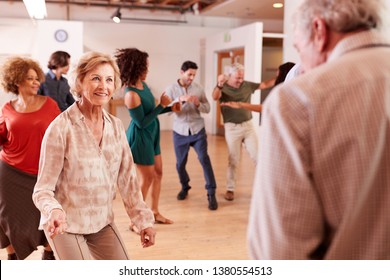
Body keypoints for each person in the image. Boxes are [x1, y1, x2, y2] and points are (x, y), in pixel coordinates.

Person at [248, 0, 390, 259]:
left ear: (319, 30)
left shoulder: (298, 100)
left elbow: (279, 252)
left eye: (300, 50)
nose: (302, 66)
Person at [32, 51, 156, 260]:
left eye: (109, 80)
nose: (103, 86)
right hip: (65, 223)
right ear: (80, 82)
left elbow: (128, 180)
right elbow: (42, 190)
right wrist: (54, 211)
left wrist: (143, 221)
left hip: (101, 221)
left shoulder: (116, 127)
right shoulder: (60, 128)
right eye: (95, 78)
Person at [0, 56, 61, 260]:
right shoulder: (7, 108)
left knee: (46, 217)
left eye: (37, 78)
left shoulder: (50, 105)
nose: (36, 82)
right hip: (10, 173)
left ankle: (49, 256)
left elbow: (63, 134)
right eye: (30, 78)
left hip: (44, 175)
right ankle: (13, 258)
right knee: (7, 217)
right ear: (17, 80)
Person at [115, 48, 179, 229]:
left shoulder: (144, 86)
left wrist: (170, 108)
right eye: (145, 67)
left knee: (158, 172)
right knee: (147, 178)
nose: (148, 70)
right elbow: (141, 122)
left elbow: (151, 112)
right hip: (141, 137)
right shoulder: (131, 94)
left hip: (152, 134)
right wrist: (162, 106)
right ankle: (135, 220)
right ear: (136, 68)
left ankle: (155, 212)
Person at [165, 61, 218, 210]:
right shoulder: (171, 89)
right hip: (180, 132)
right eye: (189, 74)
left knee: (204, 159)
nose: (192, 77)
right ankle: (185, 186)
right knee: (180, 164)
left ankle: (211, 193)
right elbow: (166, 111)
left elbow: (207, 108)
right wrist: (179, 101)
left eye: (194, 75)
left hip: (197, 130)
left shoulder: (198, 89)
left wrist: (197, 104)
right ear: (181, 72)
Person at [212, 63, 261, 201]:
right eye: (237, 78)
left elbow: (263, 85)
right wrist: (219, 84)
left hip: (248, 126)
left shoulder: (246, 85)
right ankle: (230, 189)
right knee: (234, 159)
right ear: (229, 76)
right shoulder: (223, 86)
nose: (240, 80)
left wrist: (282, 76)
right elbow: (215, 97)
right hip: (232, 128)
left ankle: (262, 188)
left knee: (258, 158)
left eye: (242, 77)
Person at [220, 62, 296, 113]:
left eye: (278, 76)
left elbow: (266, 107)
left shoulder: (286, 93)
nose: (240, 80)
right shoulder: (290, 89)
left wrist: (241, 104)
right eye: (237, 78)